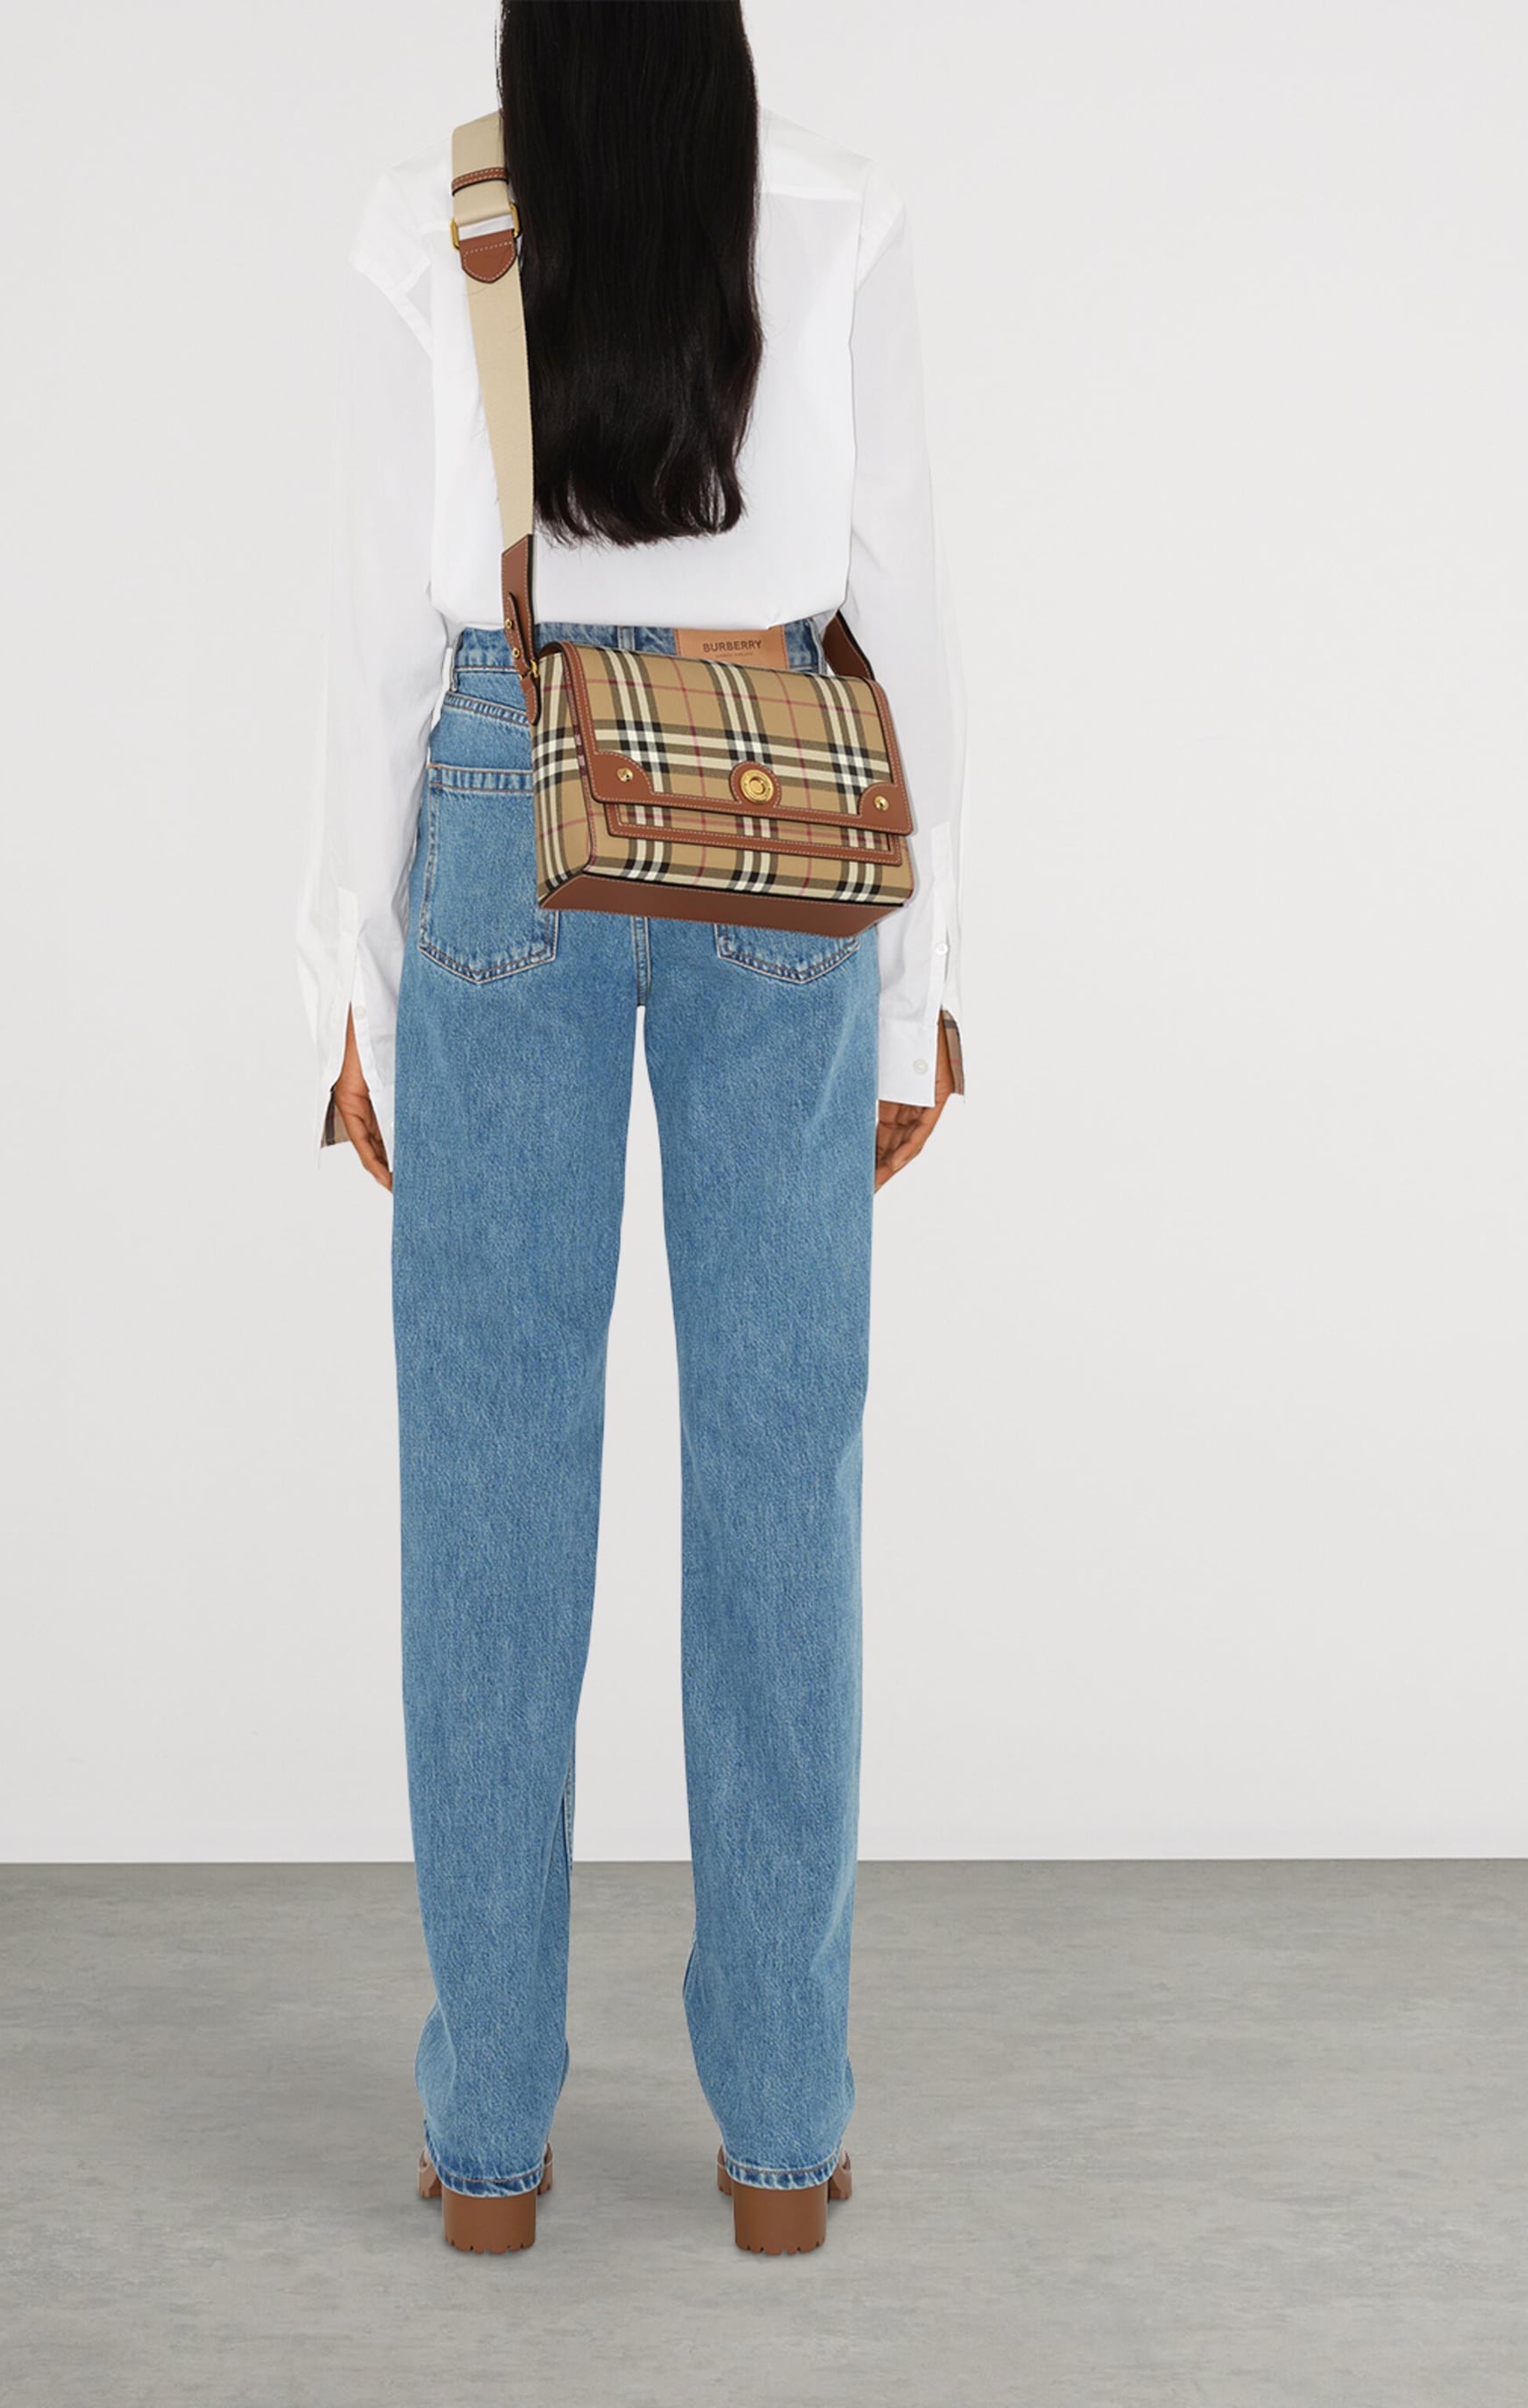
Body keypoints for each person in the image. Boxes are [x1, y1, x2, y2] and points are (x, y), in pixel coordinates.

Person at [296, 0, 964, 2256]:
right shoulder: (843, 205)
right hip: (788, 815)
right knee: (785, 1474)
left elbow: (380, 644)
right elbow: (905, 622)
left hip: (513, 798)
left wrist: (350, 983)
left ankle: (492, 2136)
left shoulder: (434, 216)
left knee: (488, 1482)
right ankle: (782, 2132)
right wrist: (921, 995)